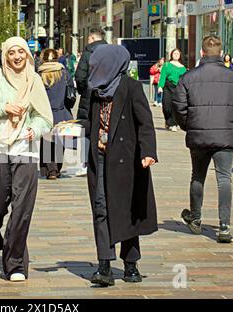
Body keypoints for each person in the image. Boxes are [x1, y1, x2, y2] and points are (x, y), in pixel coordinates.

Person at [0, 36, 53, 282]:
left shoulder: (35, 80)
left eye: (21, 52)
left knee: (22, 208)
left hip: (25, 150)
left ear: (27, 55)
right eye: (12, 52)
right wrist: (4, 107)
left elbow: (45, 118)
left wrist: (35, 130)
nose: (17, 56)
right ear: (5, 55)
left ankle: (15, 264)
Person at [86, 44, 158, 287]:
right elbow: (88, 121)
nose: (94, 68)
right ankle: (104, 264)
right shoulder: (94, 89)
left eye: (98, 64)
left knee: (127, 209)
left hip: (127, 160)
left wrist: (148, 152)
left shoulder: (131, 87)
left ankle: (131, 264)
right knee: (101, 207)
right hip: (100, 158)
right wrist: (70, 131)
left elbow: (145, 122)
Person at [172, 35, 233, 243]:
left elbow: (178, 107)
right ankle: (224, 227)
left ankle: (196, 218)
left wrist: (189, 125)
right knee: (224, 179)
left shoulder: (188, 78)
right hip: (226, 135)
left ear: (202, 52)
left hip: (199, 135)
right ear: (221, 52)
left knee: (198, 176)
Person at [75, 27, 107, 177]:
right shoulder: (111, 52)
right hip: (108, 96)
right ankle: (105, 162)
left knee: (86, 130)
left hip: (90, 94)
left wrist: (84, 91)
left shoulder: (88, 53)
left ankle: (85, 164)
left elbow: (80, 77)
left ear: (93, 38)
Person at [38, 48, 74, 179]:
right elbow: (71, 94)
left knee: (47, 140)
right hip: (61, 111)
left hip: (44, 112)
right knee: (59, 141)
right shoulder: (64, 73)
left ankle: (50, 169)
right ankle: (56, 169)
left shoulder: (39, 74)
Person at [158, 48, 187, 132]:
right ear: (171, 55)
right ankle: (168, 121)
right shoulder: (167, 65)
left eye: (178, 53)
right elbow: (163, 76)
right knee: (166, 106)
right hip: (168, 86)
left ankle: (173, 123)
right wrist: (160, 86)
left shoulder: (182, 68)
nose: (176, 55)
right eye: (175, 53)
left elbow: (184, 80)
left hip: (178, 88)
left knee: (175, 106)